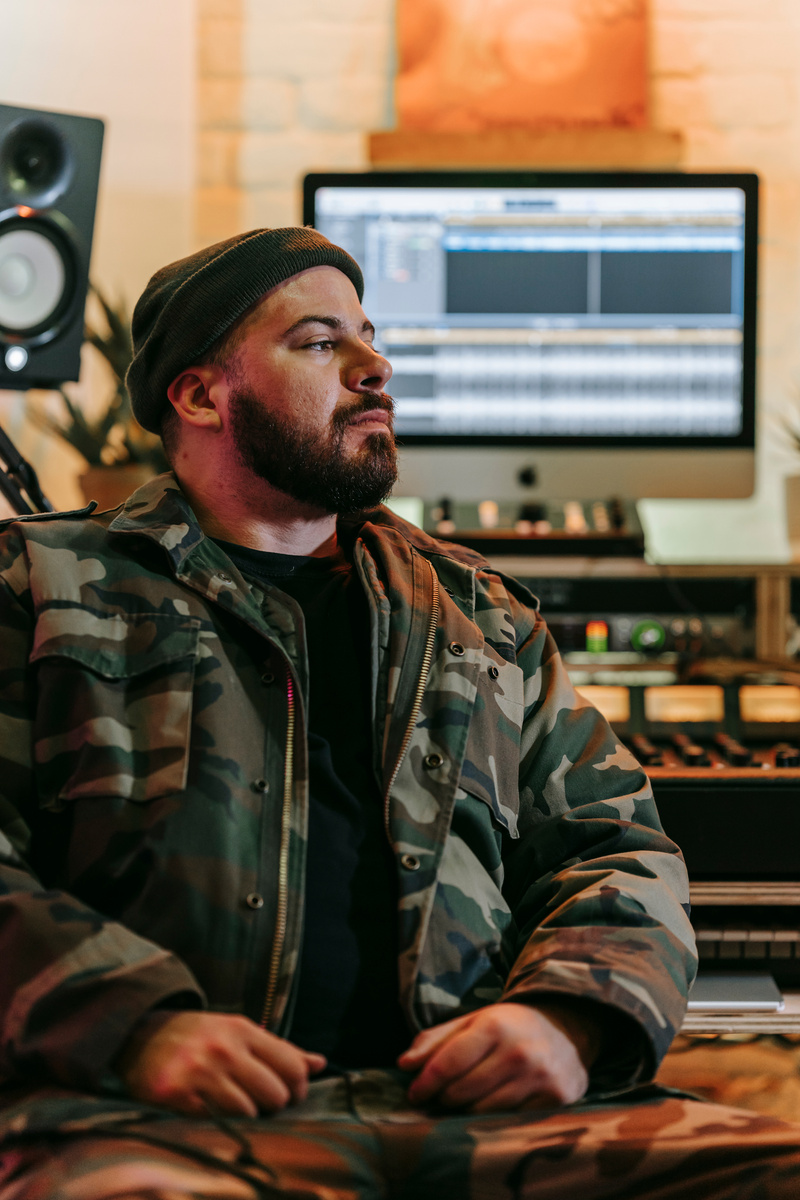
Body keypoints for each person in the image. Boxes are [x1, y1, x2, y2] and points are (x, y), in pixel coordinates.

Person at [0, 227, 798, 1200]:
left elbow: (613, 845)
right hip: (168, 1125)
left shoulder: (480, 613)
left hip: (475, 1115)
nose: (374, 367)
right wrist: (135, 1025)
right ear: (201, 394)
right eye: (318, 343)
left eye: (370, 337)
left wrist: (565, 1017)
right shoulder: (44, 585)